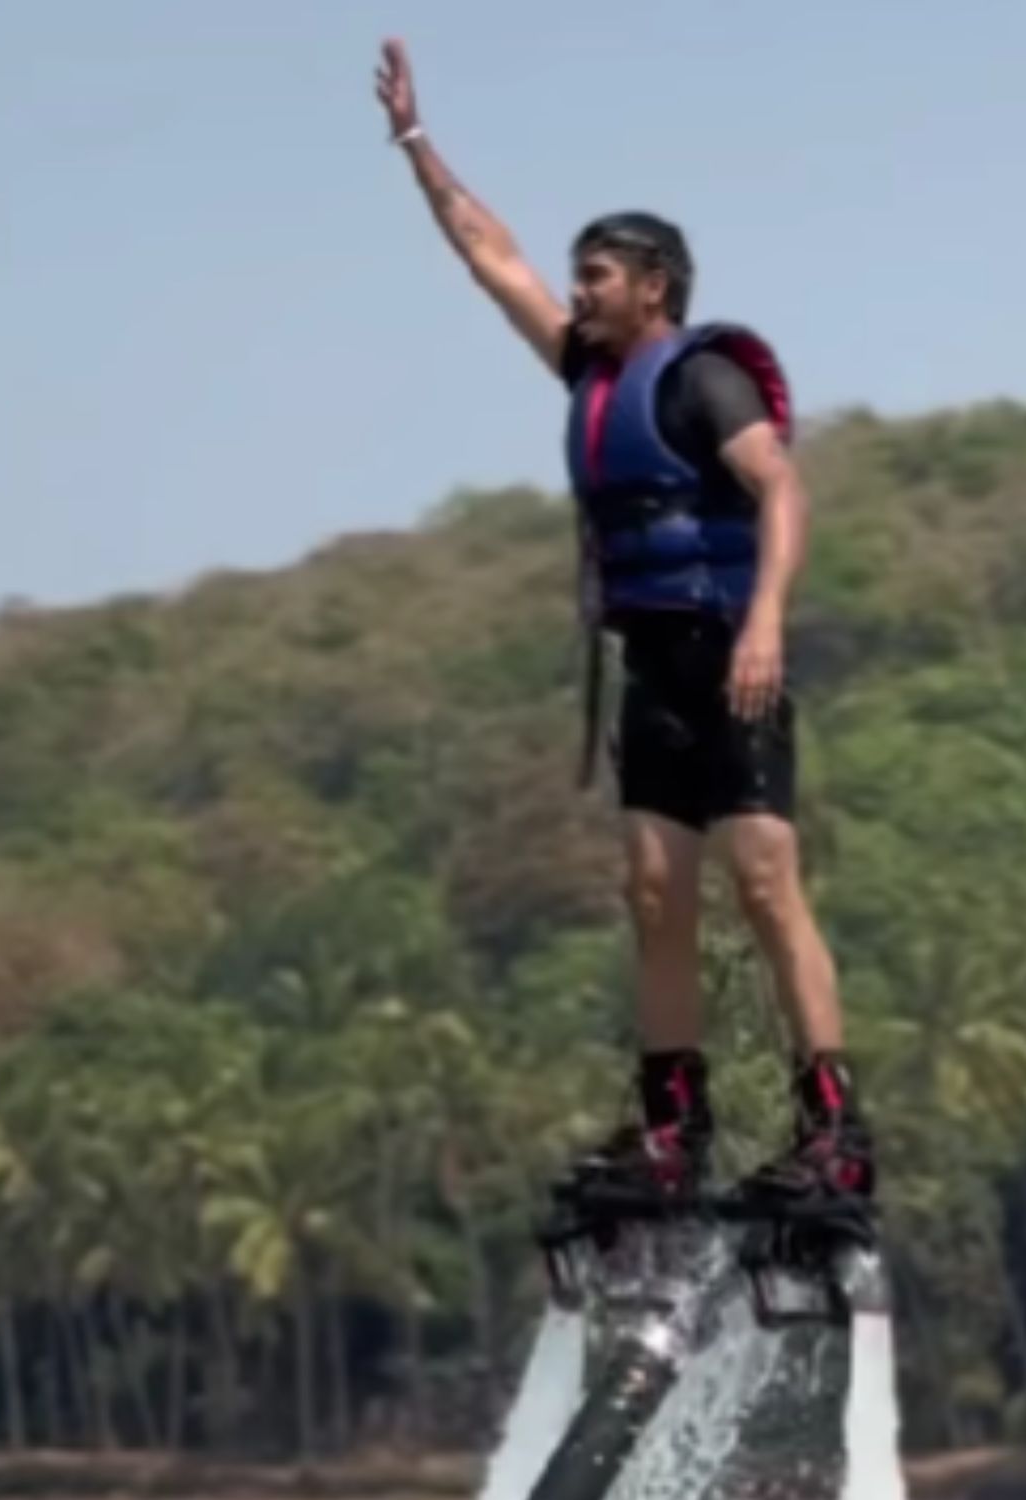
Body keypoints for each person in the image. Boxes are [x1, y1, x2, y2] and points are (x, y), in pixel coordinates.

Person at [374, 39, 874, 1207]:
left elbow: (782, 491)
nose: (578, 287)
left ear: (654, 284)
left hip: (729, 658)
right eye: (579, 273)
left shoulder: (704, 381)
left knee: (762, 879)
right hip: (650, 665)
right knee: (654, 890)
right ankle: (675, 1133)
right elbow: (488, 258)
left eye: (596, 273)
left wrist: (764, 626)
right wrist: (414, 147)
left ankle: (835, 1133)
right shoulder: (584, 377)